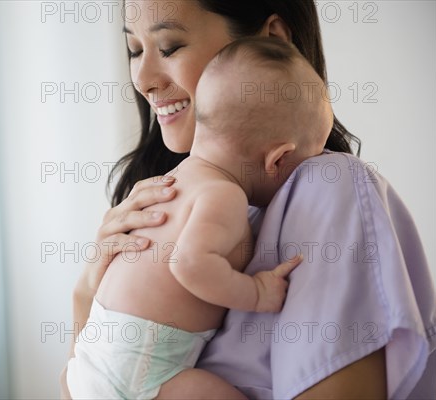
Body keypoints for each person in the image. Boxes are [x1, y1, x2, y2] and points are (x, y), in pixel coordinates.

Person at [62, 1, 436, 398]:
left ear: (272, 38)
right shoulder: (163, 195)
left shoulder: (329, 187)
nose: (143, 78)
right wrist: (86, 294)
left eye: (170, 46)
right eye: (135, 51)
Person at [66, 36, 333, 399]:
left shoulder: (174, 179)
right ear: (277, 160)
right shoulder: (222, 193)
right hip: (145, 365)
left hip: (91, 360)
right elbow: (190, 263)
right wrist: (256, 293)